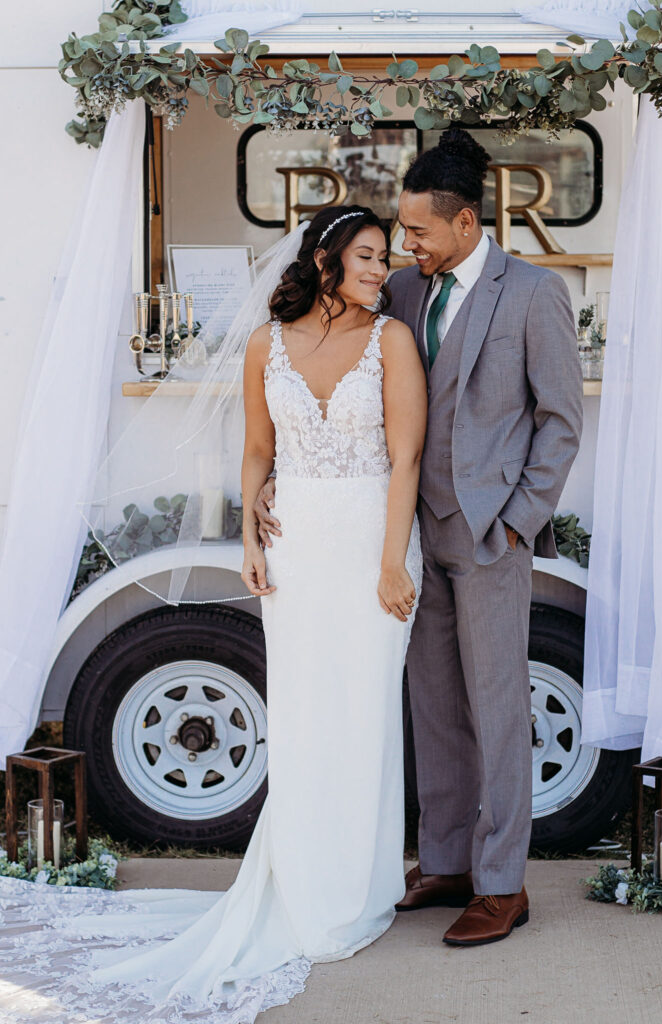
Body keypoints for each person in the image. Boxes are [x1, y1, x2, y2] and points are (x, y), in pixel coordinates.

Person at [0, 205, 427, 1024]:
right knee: (302, 715)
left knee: (364, 714)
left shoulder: (393, 341)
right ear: (328, 261)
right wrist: (251, 540)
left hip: (371, 538)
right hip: (296, 542)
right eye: (370, 257)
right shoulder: (268, 344)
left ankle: (359, 888)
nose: (384, 269)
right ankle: (301, 885)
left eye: (386, 258)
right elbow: (258, 450)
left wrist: (388, 560)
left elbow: (405, 454)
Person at [257, 127, 583, 947]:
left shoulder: (534, 294)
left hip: (487, 537)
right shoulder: (400, 292)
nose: (406, 245)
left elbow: (559, 423)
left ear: (465, 222)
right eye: (400, 234)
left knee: (499, 705)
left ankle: (502, 884)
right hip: (400, 536)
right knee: (432, 705)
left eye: (419, 232)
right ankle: (443, 860)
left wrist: (516, 522)